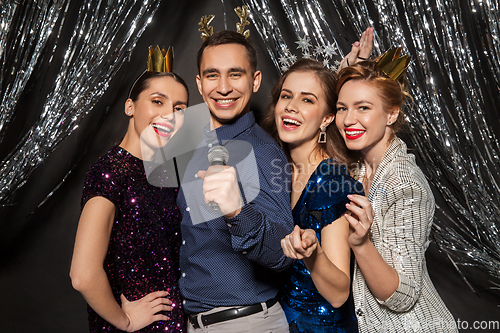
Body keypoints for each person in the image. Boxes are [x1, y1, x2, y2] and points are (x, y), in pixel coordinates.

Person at [178, 30, 294, 333]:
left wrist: (237, 212)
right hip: (197, 323)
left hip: (246, 323)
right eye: (213, 75)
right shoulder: (193, 139)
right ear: (200, 84)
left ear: (254, 81)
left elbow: (284, 253)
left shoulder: (263, 152)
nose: (224, 87)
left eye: (235, 74)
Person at [335, 57, 458, 332]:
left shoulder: (403, 183)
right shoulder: (358, 171)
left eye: (363, 108)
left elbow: (402, 295)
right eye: (342, 108)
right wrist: (345, 65)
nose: (348, 119)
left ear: (391, 114)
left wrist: (361, 244)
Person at [70, 63, 189, 332]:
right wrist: (125, 321)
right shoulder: (110, 172)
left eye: (179, 109)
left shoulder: (164, 173)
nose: (169, 115)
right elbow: (82, 275)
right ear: (130, 107)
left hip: (173, 324)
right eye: (157, 101)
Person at [261, 57, 363, 333]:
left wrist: (313, 253)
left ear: (327, 118)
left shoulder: (331, 182)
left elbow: (340, 293)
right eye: (286, 96)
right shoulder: (281, 169)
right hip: (282, 322)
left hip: (321, 327)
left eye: (307, 100)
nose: (291, 106)